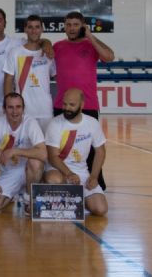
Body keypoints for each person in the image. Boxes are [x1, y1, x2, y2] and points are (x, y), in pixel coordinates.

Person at [53, 11, 114, 190]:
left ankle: (96, 183)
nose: (72, 28)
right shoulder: (57, 47)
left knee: (92, 148)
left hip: (88, 105)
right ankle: (65, 181)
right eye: (68, 24)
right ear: (64, 26)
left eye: (76, 25)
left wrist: (90, 36)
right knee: (62, 148)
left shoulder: (91, 45)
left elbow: (109, 56)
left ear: (83, 26)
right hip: (61, 105)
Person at [44, 88, 108, 216]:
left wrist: (94, 176)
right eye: (65, 104)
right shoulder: (55, 124)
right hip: (58, 171)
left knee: (101, 209)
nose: (67, 108)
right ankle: (64, 197)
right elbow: (52, 157)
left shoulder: (92, 123)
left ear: (82, 105)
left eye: (72, 105)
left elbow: (100, 151)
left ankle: (75, 201)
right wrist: (69, 174)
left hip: (81, 173)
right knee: (54, 179)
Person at [0, 93, 47, 215]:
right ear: (4, 109)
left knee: (35, 162)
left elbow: (43, 154)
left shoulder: (31, 122)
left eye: (18, 107)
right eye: (10, 107)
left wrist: (15, 151)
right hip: (10, 173)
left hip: (29, 171)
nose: (14, 111)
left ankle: (29, 199)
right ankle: (14, 194)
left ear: (23, 108)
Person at [3, 15, 56, 132]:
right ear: (25, 29)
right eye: (30, 27)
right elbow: (8, 80)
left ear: (42, 29)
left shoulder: (49, 54)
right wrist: (8, 105)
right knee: (23, 147)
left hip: (45, 110)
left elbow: (56, 76)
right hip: (23, 111)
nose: (34, 30)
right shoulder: (15, 52)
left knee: (45, 147)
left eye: (37, 27)